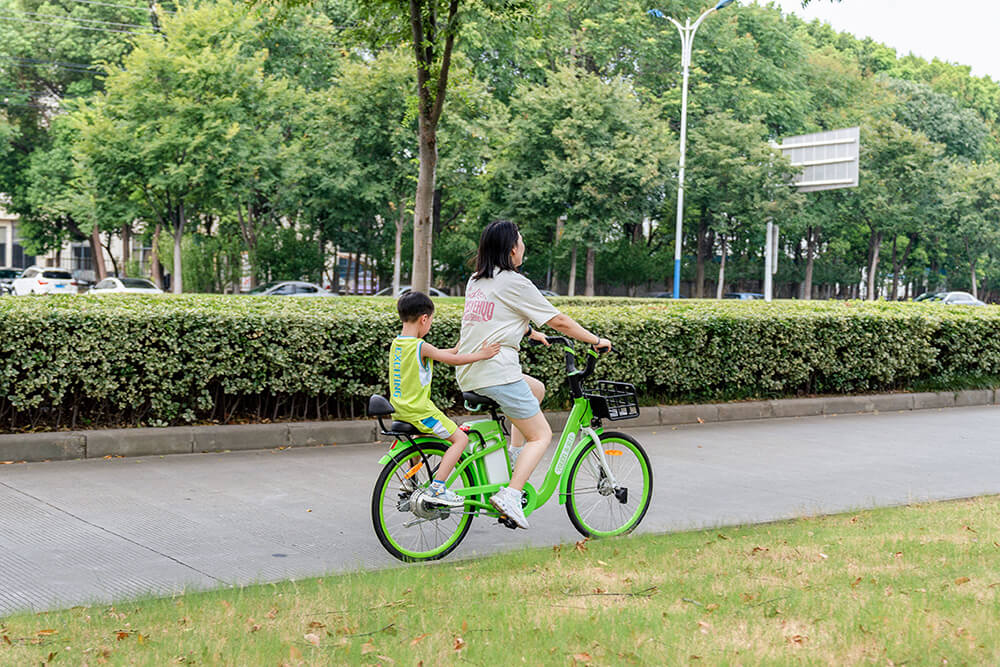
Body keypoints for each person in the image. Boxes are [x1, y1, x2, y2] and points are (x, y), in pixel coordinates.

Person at [456, 220, 611, 528]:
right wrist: (596, 340)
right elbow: (560, 321)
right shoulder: (515, 282)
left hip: (469, 369)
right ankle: (511, 496)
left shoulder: (477, 280)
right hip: (496, 373)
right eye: (521, 240)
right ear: (512, 248)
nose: (523, 245)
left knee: (536, 390)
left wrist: (527, 331)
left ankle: (514, 457)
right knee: (541, 435)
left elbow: (493, 316)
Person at [390, 291, 501, 506]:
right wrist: (483, 354)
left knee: (420, 442)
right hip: (420, 411)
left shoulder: (398, 344)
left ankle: (411, 483)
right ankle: (438, 487)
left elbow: (446, 353)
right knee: (461, 439)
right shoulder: (421, 346)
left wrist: (461, 345)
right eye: (430, 320)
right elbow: (455, 360)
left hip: (401, 410)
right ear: (424, 318)